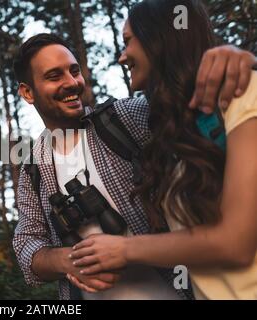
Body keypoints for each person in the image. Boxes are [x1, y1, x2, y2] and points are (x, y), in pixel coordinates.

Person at [12, 31, 256, 299]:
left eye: (74, 71)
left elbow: (186, 101)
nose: (72, 83)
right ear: (27, 92)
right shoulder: (33, 166)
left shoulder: (121, 120)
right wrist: (70, 259)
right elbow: (27, 244)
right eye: (54, 76)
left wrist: (230, 60)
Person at [69, 0, 257, 300]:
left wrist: (123, 250)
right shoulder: (173, 127)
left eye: (128, 41)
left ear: (159, 37)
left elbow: (236, 243)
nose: (121, 57)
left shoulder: (242, 93)